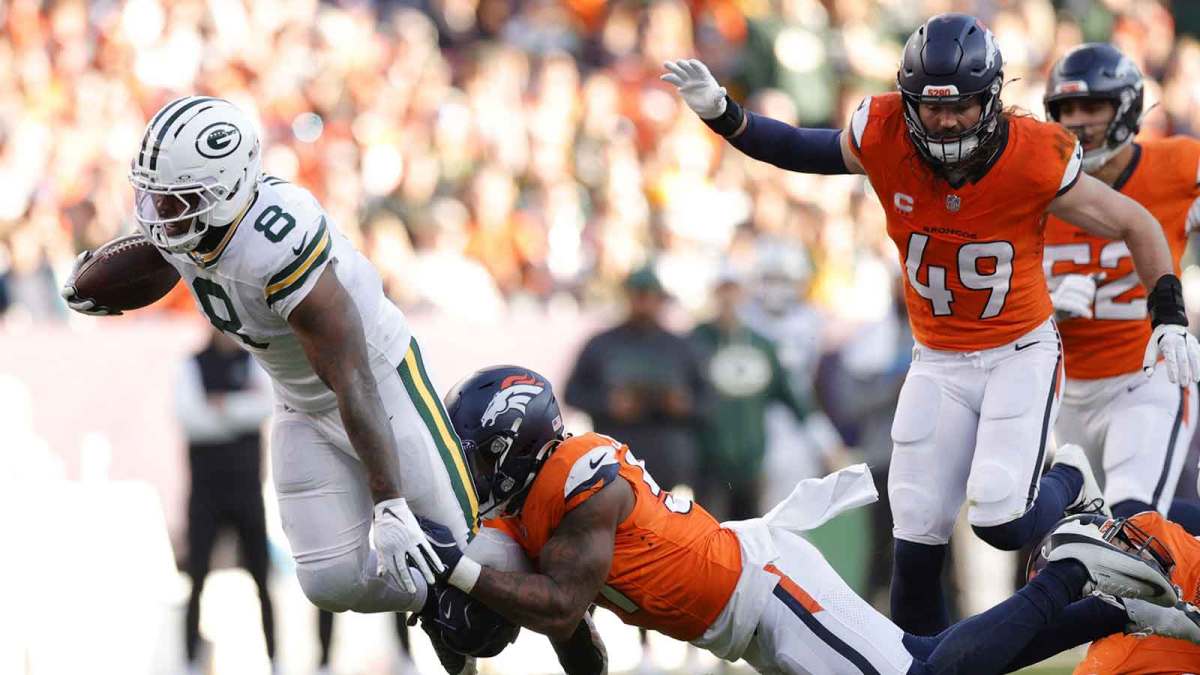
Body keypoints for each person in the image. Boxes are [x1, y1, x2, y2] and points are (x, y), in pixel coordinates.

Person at [662, 13, 1200, 635]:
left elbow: (1135, 222)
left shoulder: (1033, 153)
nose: (946, 121)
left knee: (1001, 519)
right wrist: (725, 114)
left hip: (1019, 351)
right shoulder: (884, 130)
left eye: (961, 106)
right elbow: (800, 149)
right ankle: (919, 662)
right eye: (933, 107)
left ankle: (1071, 479)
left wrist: (1167, 316)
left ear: (990, 98)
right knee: (915, 531)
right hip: (938, 357)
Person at [413, 364, 1187, 675]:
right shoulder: (533, 507)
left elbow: (562, 605)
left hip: (762, 590)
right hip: (746, 606)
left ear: (516, 442)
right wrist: (454, 602)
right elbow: (576, 636)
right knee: (926, 658)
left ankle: (1073, 571)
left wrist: (455, 566)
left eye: (480, 455)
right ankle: (1116, 607)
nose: (474, 472)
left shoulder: (579, 478)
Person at [61, 96, 476, 615]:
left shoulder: (277, 239)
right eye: (156, 197)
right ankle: (436, 602)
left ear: (228, 189)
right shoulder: (197, 221)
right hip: (300, 401)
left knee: (467, 550)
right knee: (331, 581)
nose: (160, 215)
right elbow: (166, 254)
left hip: (378, 384)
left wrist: (389, 502)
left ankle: (506, 604)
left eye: (178, 199)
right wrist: (97, 277)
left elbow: (352, 377)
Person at [1042, 43, 1200, 532]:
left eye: (1092, 106)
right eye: (1067, 109)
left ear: (1127, 107)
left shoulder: (1175, 165)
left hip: (1145, 377)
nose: (1078, 122)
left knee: (1130, 519)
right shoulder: (1033, 182)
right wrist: (1042, 305)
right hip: (1063, 392)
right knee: (1086, 532)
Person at [176, 327, 275, 674]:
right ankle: (190, 660)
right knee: (197, 577)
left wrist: (221, 407)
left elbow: (265, 407)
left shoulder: (254, 361)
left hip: (246, 489)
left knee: (262, 578)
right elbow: (191, 419)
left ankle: (274, 658)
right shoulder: (192, 365)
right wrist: (238, 412)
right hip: (206, 491)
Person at [563, 265, 709, 499]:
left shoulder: (681, 347)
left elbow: (709, 401)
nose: (644, 303)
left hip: (669, 460)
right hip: (616, 459)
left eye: (650, 296)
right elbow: (572, 393)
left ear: (660, 300)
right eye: (638, 295)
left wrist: (683, 405)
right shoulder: (602, 344)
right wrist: (608, 404)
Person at [689, 268, 809, 521]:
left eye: (732, 290)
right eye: (722, 290)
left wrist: (825, 440)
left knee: (748, 533)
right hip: (709, 462)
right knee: (710, 531)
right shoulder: (695, 341)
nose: (727, 297)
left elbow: (792, 398)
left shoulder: (762, 345)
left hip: (752, 462)